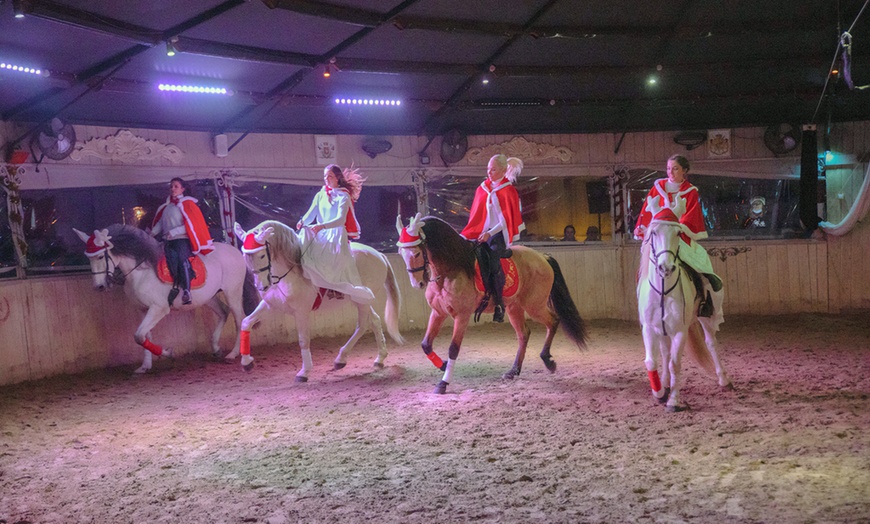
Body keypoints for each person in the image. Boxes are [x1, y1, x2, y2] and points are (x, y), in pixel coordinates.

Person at [633, 154, 723, 323]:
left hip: (679, 234)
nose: (671, 172)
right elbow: (648, 211)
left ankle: (705, 300)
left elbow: (691, 217)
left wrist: (674, 228)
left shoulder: (690, 192)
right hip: (659, 235)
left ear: (685, 171)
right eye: (668, 168)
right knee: (645, 266)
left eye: (675, 169)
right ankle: (644, 296)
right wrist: (647, 228)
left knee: (699, 262)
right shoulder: (657, 188)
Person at [296, 164, 374, 304]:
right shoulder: (320, 195)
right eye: (325, 176)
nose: (326, 179)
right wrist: (302, 221)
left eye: (330, 176)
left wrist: (323, 226)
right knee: (302, 240)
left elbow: (340, 220)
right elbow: (311, 214)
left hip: (335, 234)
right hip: (320, 232)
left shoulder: (343, 196)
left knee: (332, 259)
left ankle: (336, 287)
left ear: (337, 178)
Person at [460, 154, 525, 323]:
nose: (489, 172)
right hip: (480, 232)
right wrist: (477, 232)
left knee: (495, 261)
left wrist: (490, 233)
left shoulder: (509, 191)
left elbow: (506, 220)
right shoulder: (482, 188)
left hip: (498, 234)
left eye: (494, 169)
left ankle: (499, 304)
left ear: (503, 170)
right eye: (488, 169)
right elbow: (477, 215)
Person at [151, 177, 214, 306]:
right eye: (171, 186)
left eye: (176, 186)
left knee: (181, 259)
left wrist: (173, 232)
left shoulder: (188, 204)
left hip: (181, 240)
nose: (172, 189)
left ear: (182, 189)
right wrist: (151, 234)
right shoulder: (167, 207)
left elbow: (191, 224)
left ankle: (186, 291)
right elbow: (161, 224)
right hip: (167, 241)